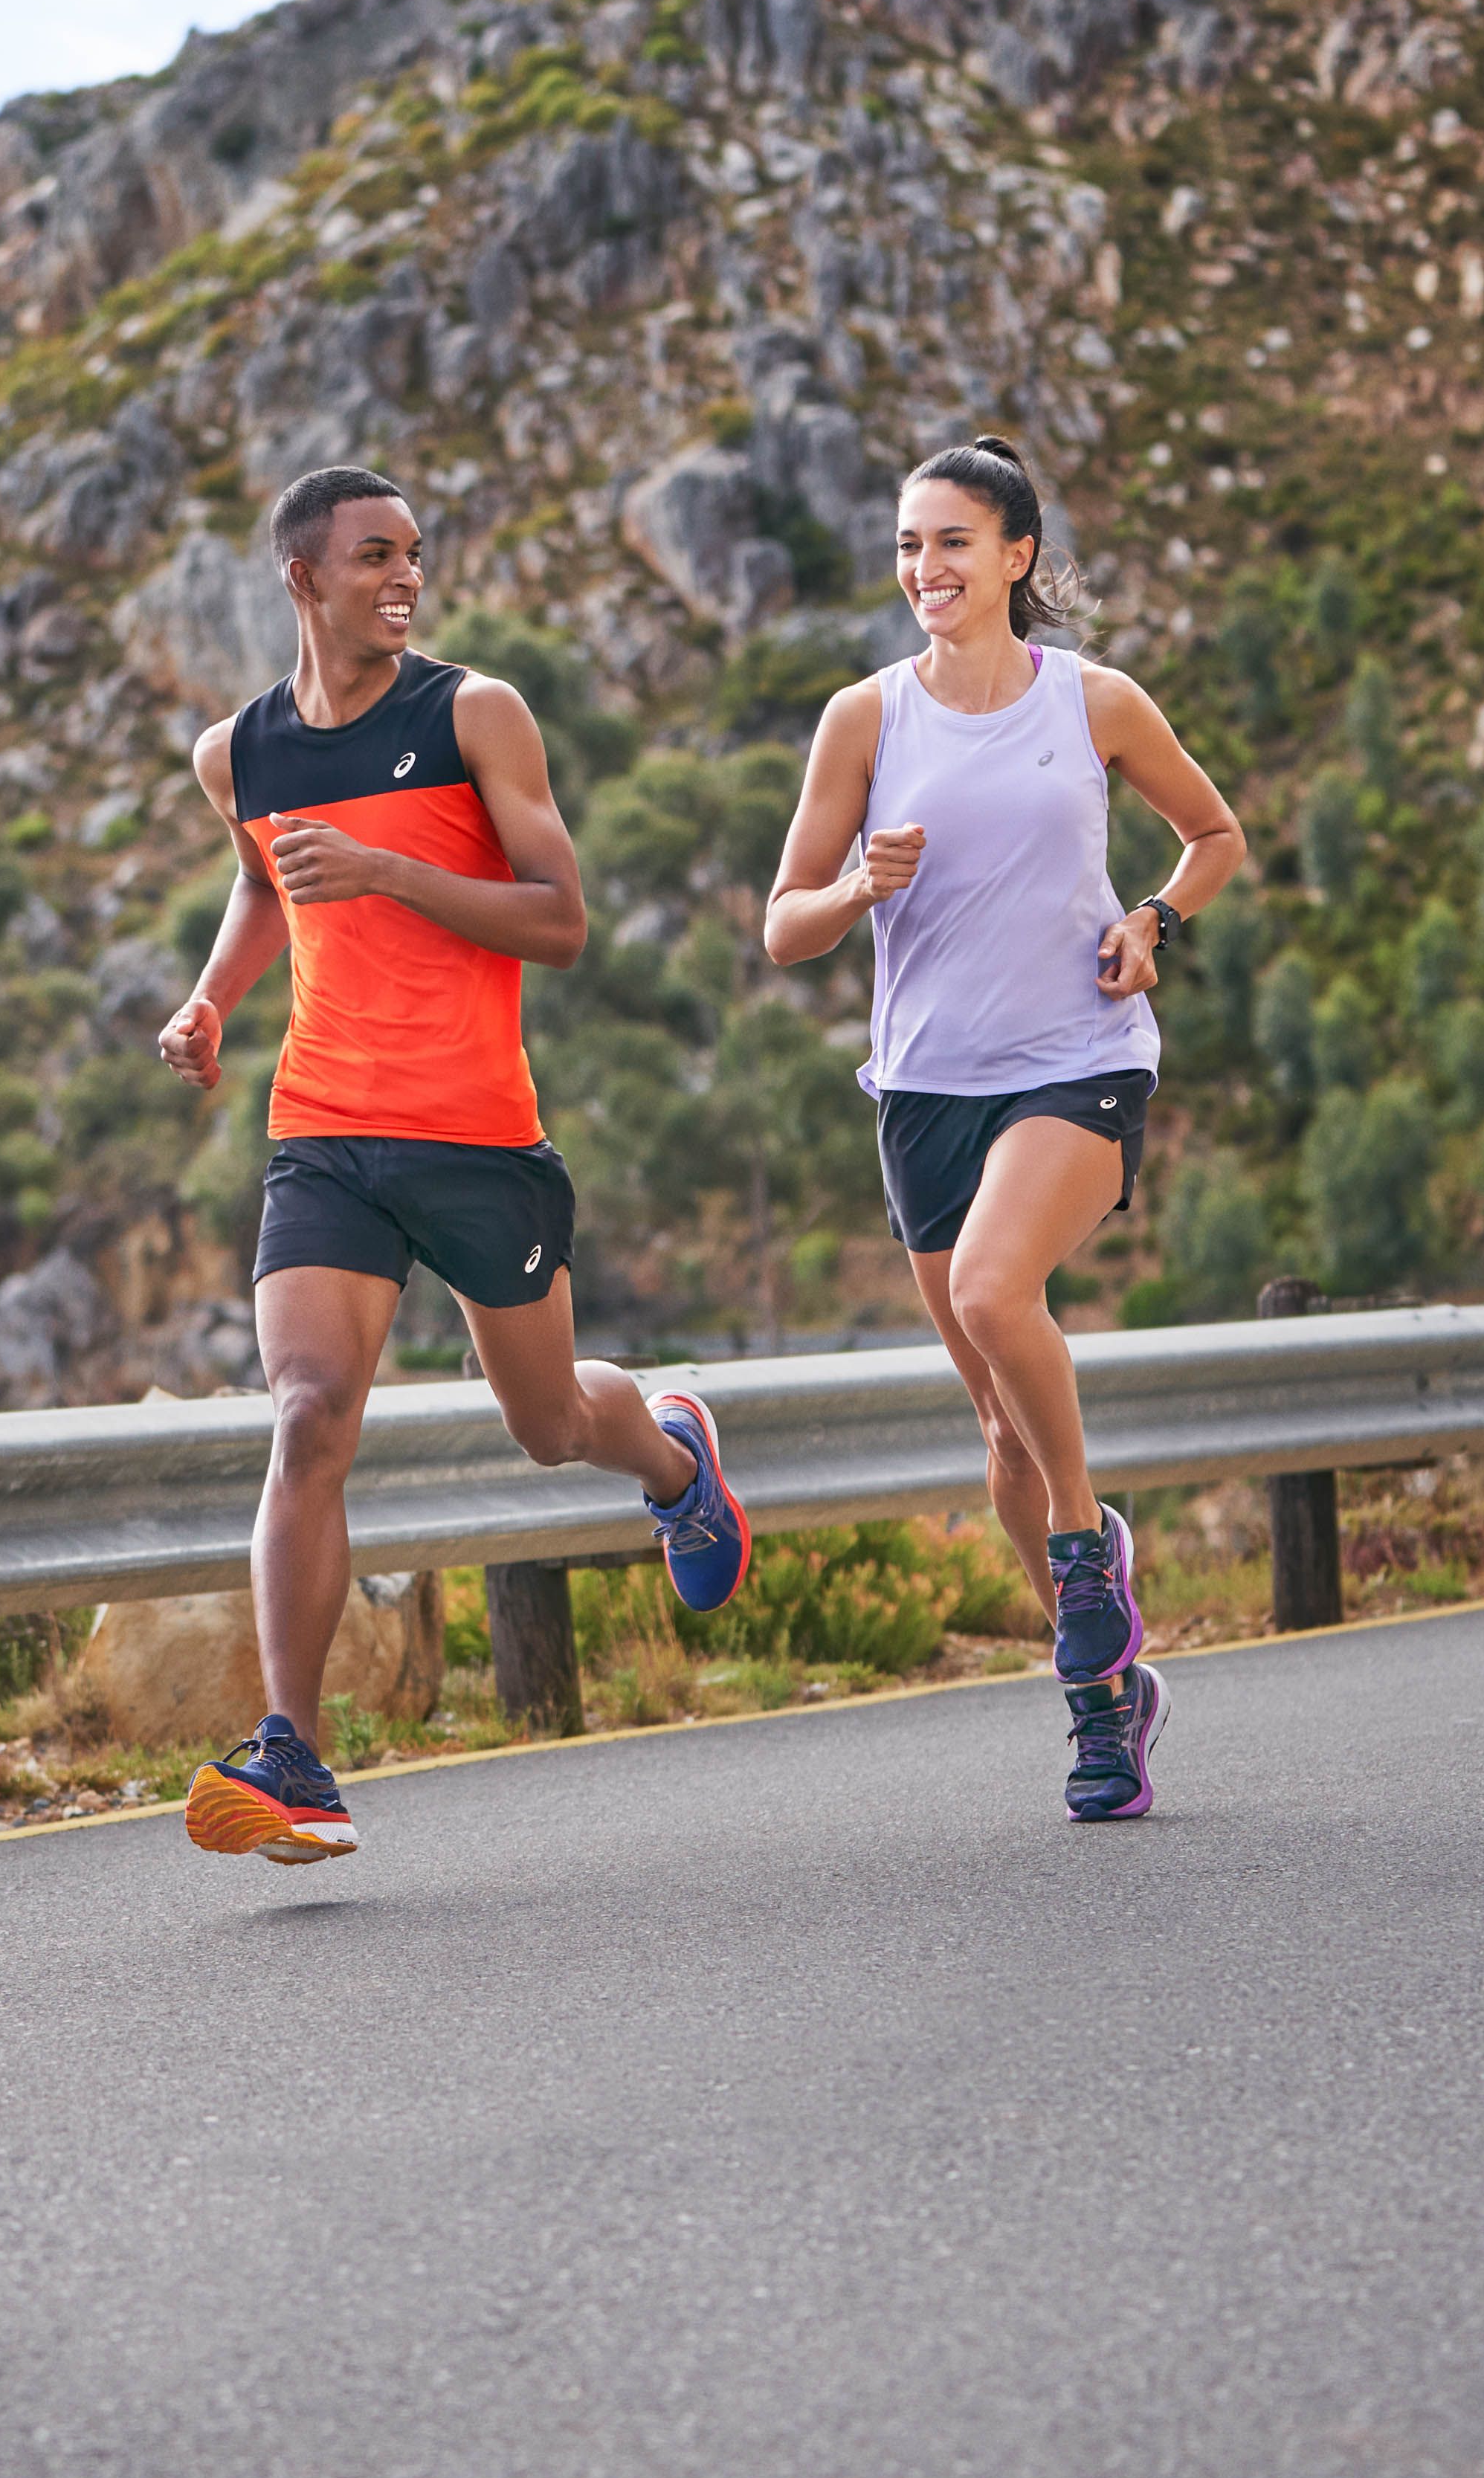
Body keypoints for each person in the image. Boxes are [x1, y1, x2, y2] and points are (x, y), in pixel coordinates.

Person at [154, 465, 750, 1864]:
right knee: (307, 1413)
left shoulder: (473, 712)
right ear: (304, 579)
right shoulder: (234, 753)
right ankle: (294, 1756)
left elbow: (561, 920)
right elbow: (262, 879)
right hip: (326, 1132)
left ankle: (673, 1462)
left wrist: (398, 875)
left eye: (414, 553)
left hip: (479, 1135)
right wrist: (212, 1000)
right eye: (374, 556)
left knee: (546, 1426)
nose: (404, 575)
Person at [762, 436, 1245, 1822]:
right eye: (910, 546)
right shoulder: (865, 719)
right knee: (996, 1430)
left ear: (1018, 554)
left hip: (1078, 1064)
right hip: (924, 1090)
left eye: (954, 543)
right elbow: (784, 925)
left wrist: (1153, 923)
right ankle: (1107, 1707)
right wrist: (857, 884)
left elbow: (1213, 837)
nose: (927, 570)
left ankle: (1087, 1559)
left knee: (991, 1290)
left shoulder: (1094, 702)